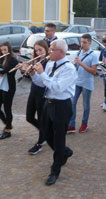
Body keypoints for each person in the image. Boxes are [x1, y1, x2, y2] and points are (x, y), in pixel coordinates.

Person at [30, 39, 77, 185]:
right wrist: (33, 73)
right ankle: (64, 151)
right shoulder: (50, 63)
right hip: (48, 103)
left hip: (62, 105)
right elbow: (43, 83)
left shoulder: (69, 69)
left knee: (58, 138)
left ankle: (54, 171)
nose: (49, 52)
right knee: (45, 133)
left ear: (61, 52)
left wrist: (42, 73)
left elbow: (57, 87)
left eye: (51, 49)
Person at [68, 34, 98, 133]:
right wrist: (74, 64)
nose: (82, 44)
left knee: (86, 105)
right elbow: (77, 65)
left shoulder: (93, 55)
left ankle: (84, 124)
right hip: (77, 82)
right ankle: (71, 124)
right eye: (81, 42)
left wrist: (81, 63)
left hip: (87, 83)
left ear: (89, 43)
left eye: (85, 42)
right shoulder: (79, 52)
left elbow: (93, 71)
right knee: (72, 102)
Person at [23, 40, 49, 154]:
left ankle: (40, 142)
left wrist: (32, 73)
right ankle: (46, 132)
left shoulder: (47, 63)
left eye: (40, 50)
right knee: (29, 117)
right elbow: (33, 79)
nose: (38, 52)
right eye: (36, 50)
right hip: (33, 91)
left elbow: (43, 82)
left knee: (41, 118)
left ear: (46, 50)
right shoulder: (37, 60)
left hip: (42, 93)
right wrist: (24, 70)